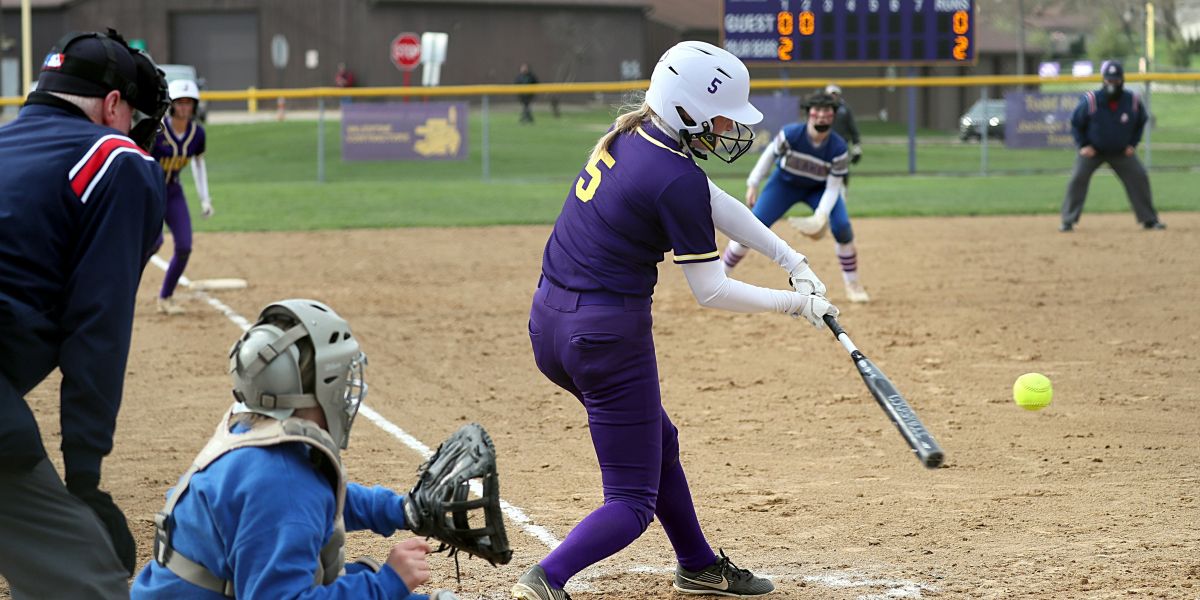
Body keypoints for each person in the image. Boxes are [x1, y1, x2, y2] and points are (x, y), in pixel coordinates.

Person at [515, 41, 838, 600]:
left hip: (550, 326)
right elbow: (710, 290)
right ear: (687, 110)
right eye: (721, 115)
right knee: (631, 502)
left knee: (658, 440)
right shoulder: (672, 176)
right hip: (605, 338)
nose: (729, 128)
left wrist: (793, 260)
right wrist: (795, 305)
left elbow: (711, 199)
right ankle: (545, 577)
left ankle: (697, 564)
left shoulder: (636, 136)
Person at [131, 299, 459, 599]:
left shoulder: (253, 432)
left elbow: (320, 500)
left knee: (364, 578)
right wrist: (388, 583)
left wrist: (399, 510)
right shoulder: (282, 482)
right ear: (313, 390)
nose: (347, 390)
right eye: (339, 377)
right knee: (377, 583)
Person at [0, 28, 169, 598]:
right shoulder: (114, 157)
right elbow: (97, 323)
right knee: (85, 580)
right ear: (113, 104)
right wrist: (85, 478)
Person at [722, 92, 871, 303]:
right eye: (817, 111)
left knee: (842, 227)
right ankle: (721, 274)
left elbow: (833, 187)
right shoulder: (791, 134)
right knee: (752, 226)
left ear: (833, 116)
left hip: (818, 189)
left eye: (827, 111)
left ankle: (853, 284)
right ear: (809, 113)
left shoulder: (838, 148)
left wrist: (820, 215)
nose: (821, 116)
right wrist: (753, 183)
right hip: (785, 184)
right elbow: (769, 155)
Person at [1060, 60, 1164, 232]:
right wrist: (1084, 145)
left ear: (1122, 81)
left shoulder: (1132, 101)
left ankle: (1149, 219)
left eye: (1115, 81)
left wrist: (1132, 144)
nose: (1112, 84)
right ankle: (1068, 220)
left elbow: (1141, 122)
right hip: (1093, 151)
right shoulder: (1092, 100)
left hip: (1121, 152)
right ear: (1103, 80)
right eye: (1109, 81)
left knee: (1139, 176)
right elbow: (1076, 123)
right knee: (1077, 178)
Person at [151, 78, 214, 315]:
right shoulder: (157, 129)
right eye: (180, 102)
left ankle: (165, 297)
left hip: (174, 191)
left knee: (185, 246)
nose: (185, 107)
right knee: (153, 244)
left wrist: (205, 199)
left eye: (189, 103)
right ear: (171, 104)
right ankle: (122, 293)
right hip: (152, 191)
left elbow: (199, 165)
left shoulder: (197, 134)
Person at [825, 83, 862, 169]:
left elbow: (853, 128)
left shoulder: (845, 109)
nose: (833, 96)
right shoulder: (821, 109)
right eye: (831, 94)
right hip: (825, 145)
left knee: (842, 172)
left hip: (841, 145)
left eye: (835, 94)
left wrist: (857, 146)